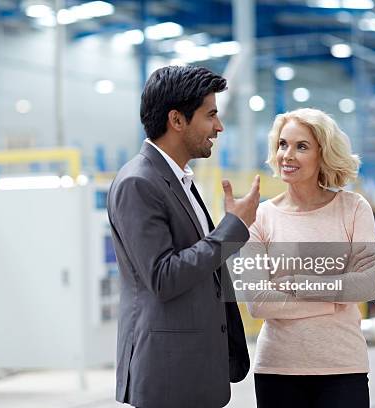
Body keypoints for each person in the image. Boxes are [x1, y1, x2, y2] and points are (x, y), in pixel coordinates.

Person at [107, 65, 260, 408]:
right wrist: (232, 227)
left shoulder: (178, 180)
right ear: (177, 120)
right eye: (210, 115)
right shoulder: (138, 183)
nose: (218, 127)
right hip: (168, 374)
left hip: (194, 369)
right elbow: (163, 277)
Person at [245, 108, 375, 408]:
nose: (287, 155)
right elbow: (257, 301)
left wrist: (293, 282)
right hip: (277, 369)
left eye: (301, 146)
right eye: (282, 144)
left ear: (324, 154)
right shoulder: (260, 216)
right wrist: (336, 297)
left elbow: (367, 286)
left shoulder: (354, 208)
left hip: (343, 367)